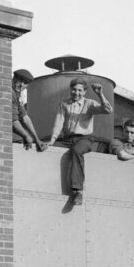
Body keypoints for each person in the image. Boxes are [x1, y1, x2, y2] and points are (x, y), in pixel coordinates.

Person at [46, 78, 113, 206]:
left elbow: (107, 110)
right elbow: (59, 122)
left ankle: (78, 191)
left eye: (79, 90)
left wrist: (100, 94)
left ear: (85, 92)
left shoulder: (89, 104)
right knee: (47, 148)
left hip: (84, 139)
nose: (76, 93)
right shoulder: (64, 103)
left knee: (77, 150)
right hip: (67, 139)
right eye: (74, 89)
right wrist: (52, 139)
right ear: (70, 89)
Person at [10, 69, 46, 151]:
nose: (22, 85)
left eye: (25, 83)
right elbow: (14, 122)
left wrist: (37, 139)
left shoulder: (17, 93)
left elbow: (25, 117)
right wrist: (26, 135)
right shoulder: (10, 92)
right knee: (21, 139)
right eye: (20, 81)